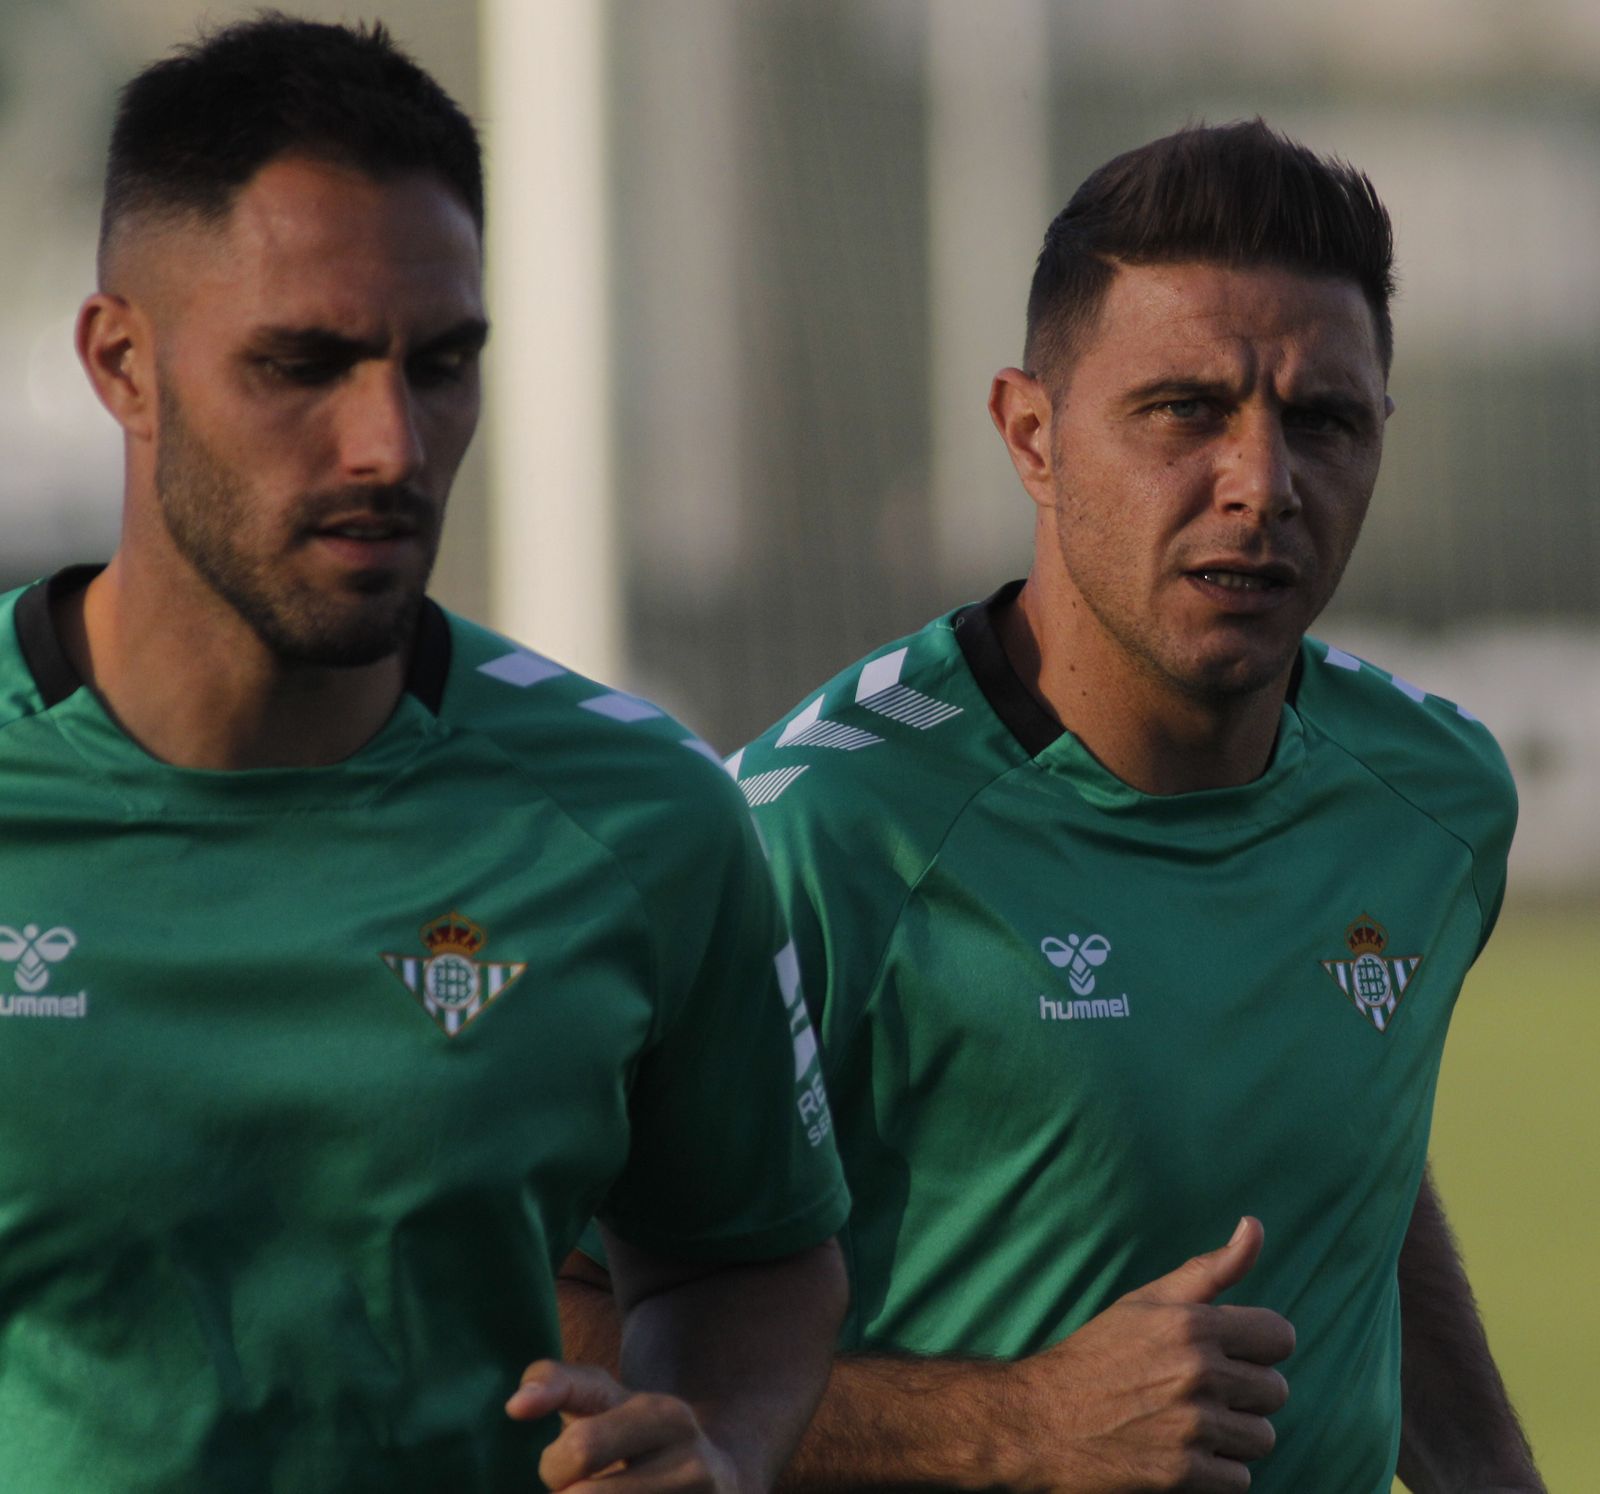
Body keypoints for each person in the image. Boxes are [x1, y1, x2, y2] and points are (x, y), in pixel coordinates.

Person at [560, 122, 1545, 1492]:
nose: (1263, 483)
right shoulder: (816, 834)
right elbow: (556, 1316)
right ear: (1032, 434)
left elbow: (1355, 1166)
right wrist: (1014, 1425)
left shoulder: (1432, 798)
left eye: (1323, 419)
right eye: (1185, 409)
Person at [0, 16, 849, 1493]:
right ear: (122, 363)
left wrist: (714, 1439)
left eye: (442, 363)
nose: (390, 442)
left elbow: (756, 1264)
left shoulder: (642, 818)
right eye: (303, 364)